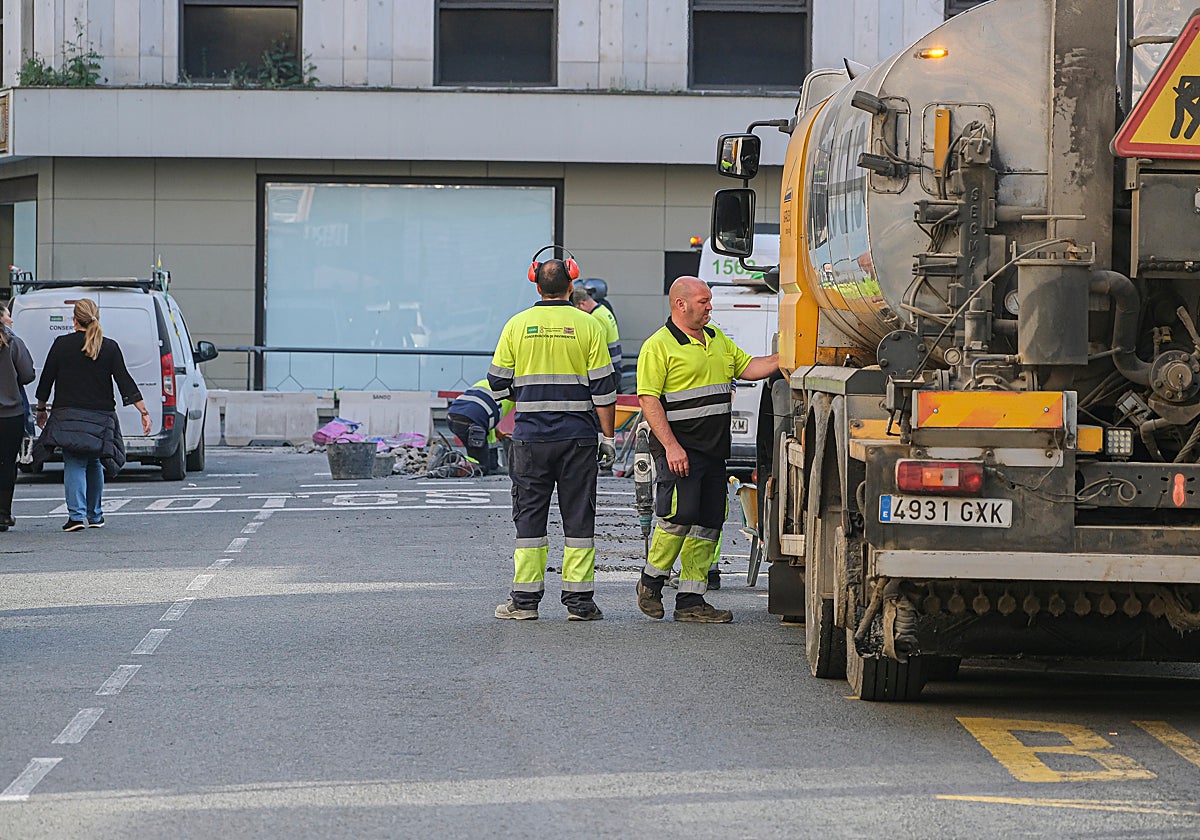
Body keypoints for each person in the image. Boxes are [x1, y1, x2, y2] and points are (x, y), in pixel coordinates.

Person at [635, 276, 778, 622]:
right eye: (704, 301)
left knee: (709, 521)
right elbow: (648, 399)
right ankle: (651, 582)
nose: (710, 307)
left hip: (714, 449)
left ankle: (691, 602)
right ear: (681, 305)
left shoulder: (716, 339)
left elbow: (750, 367)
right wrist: (671, 447)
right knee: (679, 516)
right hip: (680, 447)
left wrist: (786, 356)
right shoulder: (659, 345)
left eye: (710, 300)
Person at [490, 258, 617, 621]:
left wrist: (527, 396)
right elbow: (604, 390)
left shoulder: (517, 325)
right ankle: (579, 604)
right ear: (570, 285)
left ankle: (525, 603)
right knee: (578, 518)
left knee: (529, 518)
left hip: (530, 438)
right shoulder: (588, 325)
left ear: (536, 286)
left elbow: (498, 383)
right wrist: (607, 438)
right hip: (577, 438)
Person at [34, 299, 151, 531]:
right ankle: (95, 515)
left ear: (74, 319)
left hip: (68, 414)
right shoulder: (109, 347)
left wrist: (41, 409)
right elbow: (124, 380)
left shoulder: (61, 344)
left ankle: (76, 517)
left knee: (74, 461)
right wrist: (143, 411)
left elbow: (46, 379)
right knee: (95, 461)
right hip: (101, 416)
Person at [0, 303, 35, 531]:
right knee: (6, 465)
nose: (11, 320)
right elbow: (28, 374)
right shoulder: (12, 344)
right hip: (10, 413)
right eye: (8, 316)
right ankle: (3, 513)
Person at [446, 378, 514, 474]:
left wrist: (493, 465)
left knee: (478, 458)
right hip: (472, 423)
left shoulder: (486, 382)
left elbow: (489, 431)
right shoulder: (516, 392)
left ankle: (449, 457)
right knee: (481, 467)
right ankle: (452, 470)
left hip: (452, 416)